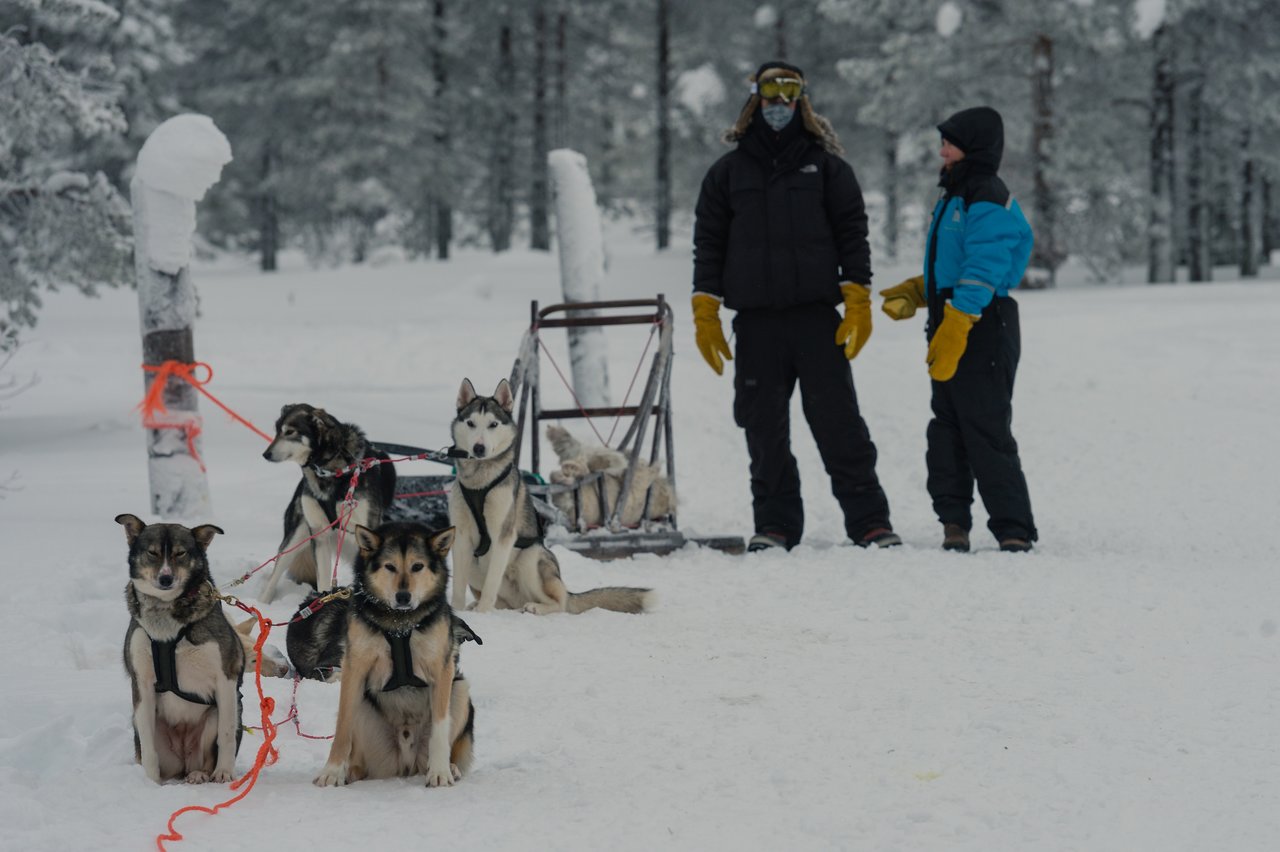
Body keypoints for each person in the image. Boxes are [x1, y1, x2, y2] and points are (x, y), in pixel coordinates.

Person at [691, 60, 898, 553]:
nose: (779, 103)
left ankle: (869, 521)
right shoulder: (727, 173)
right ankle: (776, 524)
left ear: (801, 99)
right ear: (755, 100)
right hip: (757, 324)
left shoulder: (828, 169)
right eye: (770, 92)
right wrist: (706, 309)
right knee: (763, 429)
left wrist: (858, 298)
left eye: (789, 93)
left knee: (839, 424)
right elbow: (709, 244)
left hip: (815, 320)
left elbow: (853, 235)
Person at [879, 105, 1037, 553]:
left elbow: (986, 267)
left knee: (985, 426)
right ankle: (954, 521)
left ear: (974, 147)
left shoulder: (987, 195)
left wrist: (960, 321)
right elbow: (957, 265)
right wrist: (921, 290)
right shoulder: (955, 195)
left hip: (983, 324)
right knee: (946, 427)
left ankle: (1012, 527)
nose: (942, 151)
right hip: (951, 319)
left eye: (950, 143)